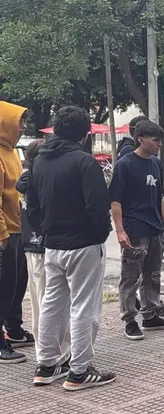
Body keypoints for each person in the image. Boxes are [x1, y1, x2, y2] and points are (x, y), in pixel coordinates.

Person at [25, 106, 116, 390]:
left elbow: (33, 206)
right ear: (84, 133)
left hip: (52, 244)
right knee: (83, 306)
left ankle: (46, 364)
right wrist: (100, 234)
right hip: (84, 243)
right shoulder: (83, 161)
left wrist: (45, 231)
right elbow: (97, 206)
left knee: (52, 304)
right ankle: (79, 370)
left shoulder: (39, 161)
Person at [109, 120, 164, 341]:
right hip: (134, 228)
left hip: (155, 227)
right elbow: (115, 201)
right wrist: (120, 231)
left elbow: (160, 195)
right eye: (156, 140)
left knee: (153, 274)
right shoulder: (125, 164)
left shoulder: (156, 164)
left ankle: (151, 314)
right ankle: (129, 319)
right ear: (141, 139)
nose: (160, 144)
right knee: (131, 277)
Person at [17, 140, 62, 359]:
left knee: (42, 299)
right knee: (45, 300)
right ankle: (48, 353)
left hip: (35, 245)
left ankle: (47, 350)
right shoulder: (34, 177)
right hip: (39, 246)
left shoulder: (31, 176)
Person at [0, 102, 29, 363]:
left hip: (19, 228)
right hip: (5, 234)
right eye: (19, 122)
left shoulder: (11, 152)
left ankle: (14, 328)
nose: (22, 127)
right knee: (4, 287)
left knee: (18, 283)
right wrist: (2, 234)